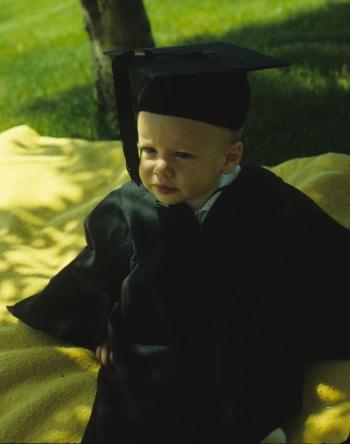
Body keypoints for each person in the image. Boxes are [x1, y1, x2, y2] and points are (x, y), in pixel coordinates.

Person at [8, 42, 350, 443]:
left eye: (182, 155)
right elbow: (98, 272)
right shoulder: (130, 206)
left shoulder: (264, 198)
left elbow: (316, 254)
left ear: (229, 158)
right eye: (148, 150)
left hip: (244, 328)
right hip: (157, 336)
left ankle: (255, 428)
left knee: (256, 369)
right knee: (141, 395)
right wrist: (101, 329)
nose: (160, 168)